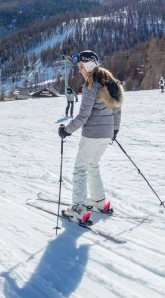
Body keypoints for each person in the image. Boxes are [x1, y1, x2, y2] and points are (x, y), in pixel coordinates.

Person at [58, 50, 124, 222]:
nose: (79, 70)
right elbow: (117, 109)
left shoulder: (91, 85)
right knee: (93, 165)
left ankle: (79, 208)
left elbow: (83, 116)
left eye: (80, 67)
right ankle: (98, 201)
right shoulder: (110, 83)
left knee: (80, 169)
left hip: (92, 135)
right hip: (106, 134)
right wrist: (114, 130)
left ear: (88, 65)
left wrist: (67, 130)